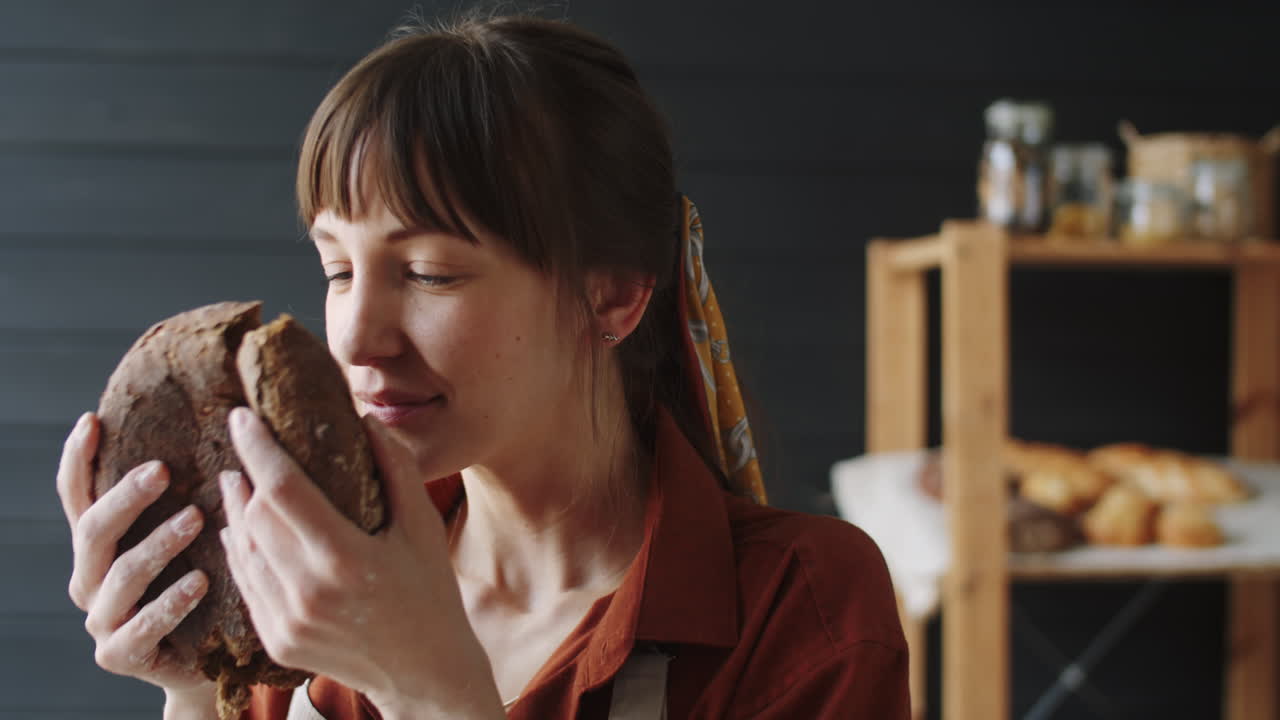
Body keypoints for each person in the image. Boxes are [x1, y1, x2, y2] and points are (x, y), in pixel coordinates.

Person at [55, 12, 908, 720]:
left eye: (429, 273)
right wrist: (198, 686)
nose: (356, 338)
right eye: (338, 270)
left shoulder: (803, 611)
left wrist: (431, 690)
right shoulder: (306, 576)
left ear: (611, 296)